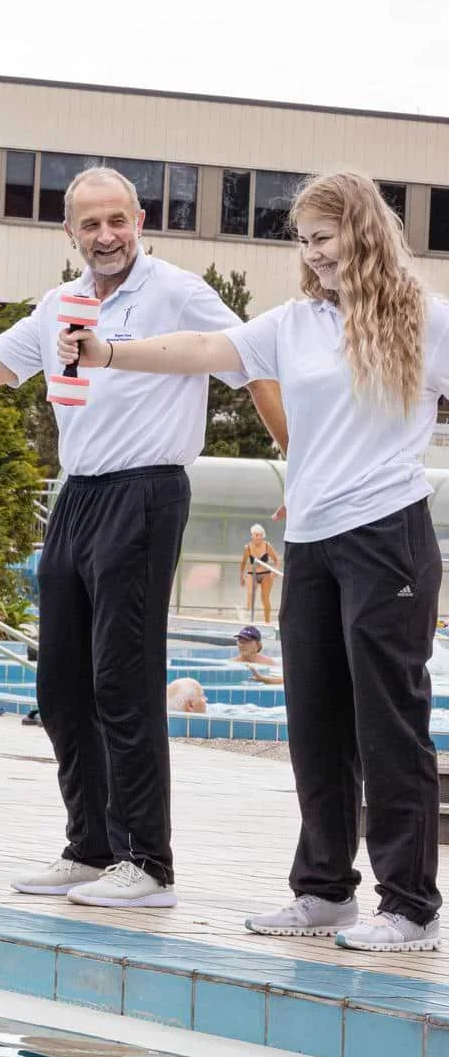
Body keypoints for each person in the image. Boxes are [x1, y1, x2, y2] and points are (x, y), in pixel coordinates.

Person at [0, 166, 286, 909]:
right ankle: (92, 848)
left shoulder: (176, 291)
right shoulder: (59, 305)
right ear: (70, 233)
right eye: (91, 224)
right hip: (76, 496)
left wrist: (292, 459)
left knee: (123, 681)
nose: (106, 235)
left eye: (118, 220)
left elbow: (253, 362)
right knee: (61, 685)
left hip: (146, 491)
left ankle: (149, 865)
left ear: (139, 220)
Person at [56, 170, 443, 950]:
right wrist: (108, 350)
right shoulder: (294, 323)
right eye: (303, 241)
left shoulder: (424, 319)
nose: (314, 255)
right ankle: (325, 891)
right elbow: (202, 346)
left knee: (387, 723)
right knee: (315, 723)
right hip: (313, 540)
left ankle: (410, 906)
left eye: (325, 238)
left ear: (363, 231)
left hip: (386, 534)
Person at [240, 523, 280, 623]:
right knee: (250, 594)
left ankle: (267, 622)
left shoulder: (267, 546)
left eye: (260, 535)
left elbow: (277, 560)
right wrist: (241, 576)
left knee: (265, 598)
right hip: (252, 573)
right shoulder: (248, 547)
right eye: (256, 535)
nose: (258, 537)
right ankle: (247, 617)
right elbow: (243, 562)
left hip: (266, 574)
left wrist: (275, 572)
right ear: (252, 535)